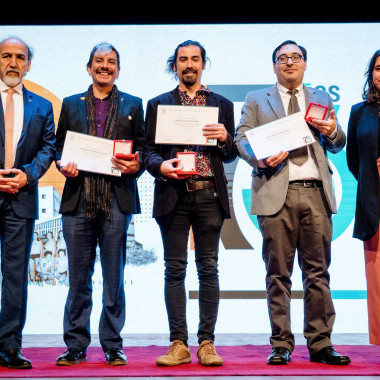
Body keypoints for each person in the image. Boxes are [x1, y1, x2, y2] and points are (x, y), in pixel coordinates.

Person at [235, 40, 350, 365]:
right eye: (282, 58)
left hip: (315, 191)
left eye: (295, 57)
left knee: (318, 273)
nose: (289, 62)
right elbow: (241, 137)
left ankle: (321, 343)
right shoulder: (257, 99)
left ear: (304, 64)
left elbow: (338, 142)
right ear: (274, 66)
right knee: (277, 274)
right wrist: (260, 158)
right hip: (274, 190)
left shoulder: (321, 98)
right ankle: (281, 344)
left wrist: (332, 131)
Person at [143, 40, 237, 367]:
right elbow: (148, 151)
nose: (189, 65)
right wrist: (160, 166)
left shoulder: (221, 105)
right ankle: (178, 344)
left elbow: (229, 154)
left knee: (208, 269)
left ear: (203, 64)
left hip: (209, 192)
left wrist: (226, 138)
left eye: (194, 59)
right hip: (173, 193)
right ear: (175, 65)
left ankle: (207, 343)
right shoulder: (159, 104)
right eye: (183, 59)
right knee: (174, 270)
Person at [55, 42, 145, 366]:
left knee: (114, 278)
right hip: (78, 199)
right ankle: (75, 344)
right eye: (99, 61)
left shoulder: (134, 104)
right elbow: (58, 149)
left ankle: (112, 344)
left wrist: (138, 165)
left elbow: (143, 150)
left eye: (111, 62)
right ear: (89, 67)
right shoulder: (70, 104)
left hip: (116, 199)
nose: (105, 66)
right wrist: (62, 164)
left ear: (118, 70)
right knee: (78, 278)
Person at [0, 36, 55, 369]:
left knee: (15, 277)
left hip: (21, 197)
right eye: (6, 55)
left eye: (19, 57)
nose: (12, 62)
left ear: (28, 64)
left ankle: (8, 346)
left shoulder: (41, 105)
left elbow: (48, 148)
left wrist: (27, 175)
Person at [346, 49, 380, 346]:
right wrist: (372, 179)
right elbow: (354, 159)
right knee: (377, 275)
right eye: (379, 68)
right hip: (373, 197)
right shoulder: (359, 111)